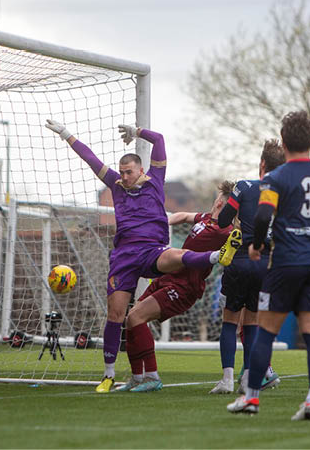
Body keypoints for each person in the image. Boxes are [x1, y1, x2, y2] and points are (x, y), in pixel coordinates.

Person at [44, 120, 242, 393]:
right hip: (124, 256)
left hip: (153, 251)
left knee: (175, 255)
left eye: (129, 172)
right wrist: (67, 135)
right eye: (122, 172)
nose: (123, 176)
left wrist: (137, 132)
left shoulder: (155, 181)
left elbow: (159, 139)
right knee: (119, 315)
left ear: (140, 170)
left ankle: (216, 257)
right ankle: (113, 375)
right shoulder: (115, 185)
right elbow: (90, 159)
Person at [226, 111, 310, 421]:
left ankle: (252, 398)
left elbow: (262, 215)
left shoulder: (276, 177)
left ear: (283, 142)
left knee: (266, 331)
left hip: (285, 263)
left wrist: (256, 245)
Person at [114, 181, 236, 392]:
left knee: (136, 317)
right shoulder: (206, 218)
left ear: (219, 202)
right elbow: (183, 216)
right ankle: (136, 377)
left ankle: (152, 377)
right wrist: (162, 223)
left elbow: (239, 240)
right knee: (131, 319)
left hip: (184, 286)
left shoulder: (225, 231)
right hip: (169, 276)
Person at [210, 139, 286, 395]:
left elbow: (221, 221)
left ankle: (227, 380)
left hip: (241, 259)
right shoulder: (284, 193)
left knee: (230, 321)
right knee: (252, 323)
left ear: (262, 163)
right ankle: (248, 380)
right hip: (266, 264)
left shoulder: (243, 187)